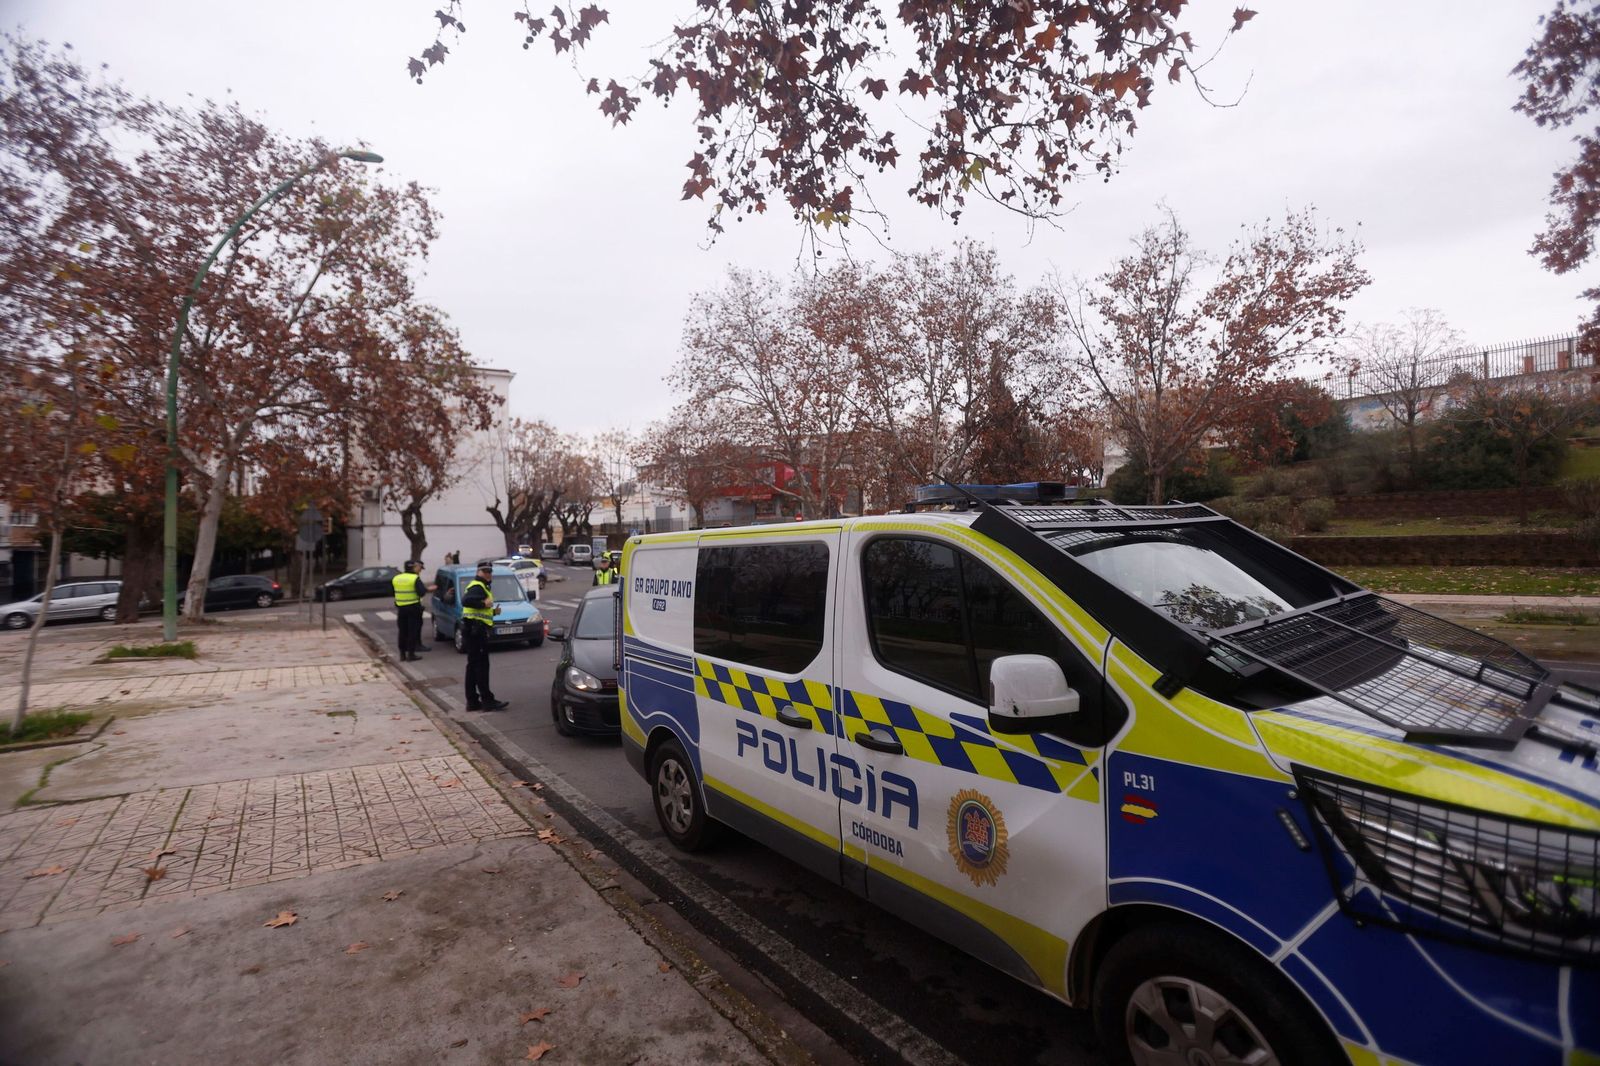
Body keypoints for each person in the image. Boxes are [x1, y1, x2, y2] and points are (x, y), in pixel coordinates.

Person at [460, 563, 509, 711]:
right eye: (485, 571)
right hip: (476, 632)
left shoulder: (480, 586)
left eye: (490, 571)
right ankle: (487, 700)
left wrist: (493, 612)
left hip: (472, 629)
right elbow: (466, 601)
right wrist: (484, 603)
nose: (488, 574)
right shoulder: (477, 586)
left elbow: (474, 610)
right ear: (479, 572)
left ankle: (472, 701)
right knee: (481, 667)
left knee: (472, 667)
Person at [391, 561, 430, 661]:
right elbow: (421, 592)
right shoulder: (414, 578)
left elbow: (394, 592)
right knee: (412, 631)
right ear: (414, 567)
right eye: (418, 567)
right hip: (413, 608)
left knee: (403, 632)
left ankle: (402, 654)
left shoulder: (396, 578)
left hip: (401, 608)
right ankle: (411, 654)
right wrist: (427, 589)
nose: (420, 569)